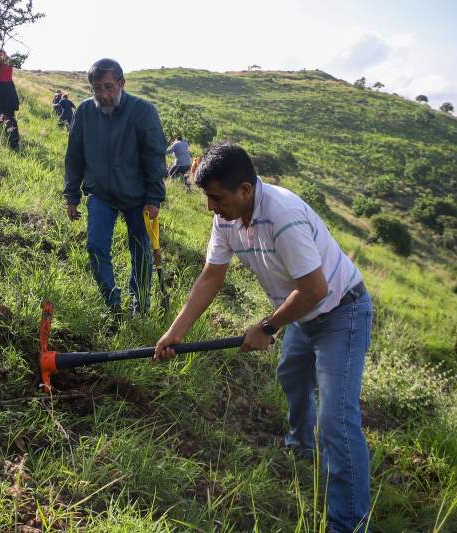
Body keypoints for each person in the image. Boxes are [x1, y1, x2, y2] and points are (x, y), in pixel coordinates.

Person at [153, 142, 372, 533]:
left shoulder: (283, 216)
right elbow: (211, 275)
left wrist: (269, 327)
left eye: (216, 197)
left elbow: (316, 289)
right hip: (304, 312)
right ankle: (301, 446)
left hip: (342, 312)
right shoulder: (227, 217)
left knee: (336, 419)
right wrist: (174, 333)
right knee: (291, 374)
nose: (210, 207)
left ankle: (350, 523)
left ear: (245, 191)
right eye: (207, 197)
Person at [64, 58, 167, 316]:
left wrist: (154, 198)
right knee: (96, 246)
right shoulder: (86, 112)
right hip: (100, 193)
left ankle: (140, 306)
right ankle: (113, 305)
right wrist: (72, 195)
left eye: (109, 87)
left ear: (121, 83)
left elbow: (155, 156)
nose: (104, 95)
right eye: (97, 88)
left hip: (138, 196)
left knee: (141, 252)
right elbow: (74, 155)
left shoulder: (143, 111)